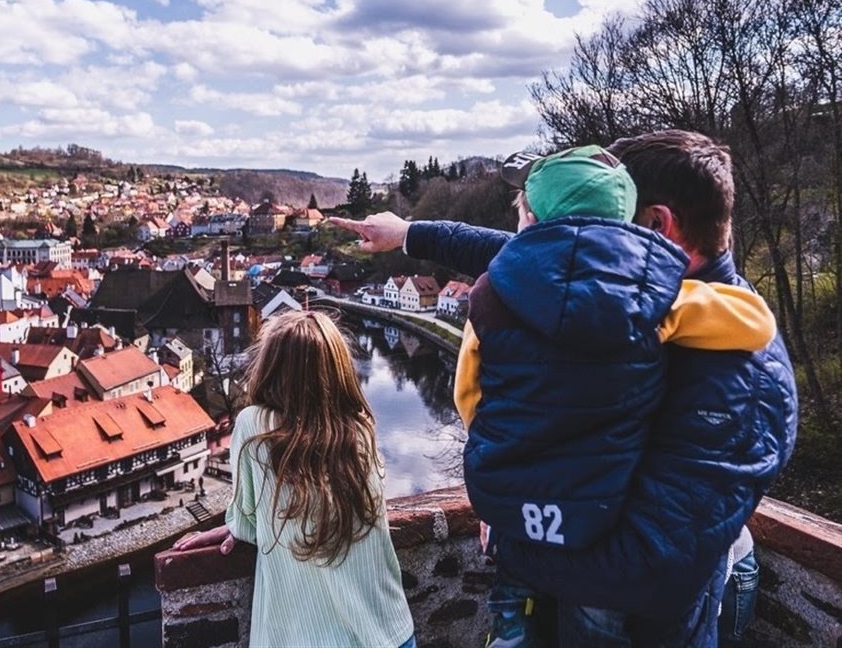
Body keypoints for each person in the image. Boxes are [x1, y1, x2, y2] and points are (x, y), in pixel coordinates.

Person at [331, 130, 797, 647]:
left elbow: (645, 561)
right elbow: (533, 261)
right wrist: (410, 233)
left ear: (655, 225)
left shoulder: (736, 367)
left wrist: (516, 525)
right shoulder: (620, 295)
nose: (566, 243)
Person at [448, 145, 774, 647]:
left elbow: (468, 396)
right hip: (604, 514)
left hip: (532, 515)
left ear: (530, 222)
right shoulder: (653, 299)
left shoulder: (493, 296)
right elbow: (751, 322)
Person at [172, 310, 415, 648]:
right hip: (391, 632)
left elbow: (246, 525)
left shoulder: (254, 427)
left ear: (270, 367)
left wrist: (236, 524)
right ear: (337, 368)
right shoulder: (360, 430)